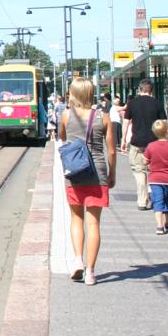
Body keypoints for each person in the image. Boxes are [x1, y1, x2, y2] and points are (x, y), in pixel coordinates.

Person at [59, 78, 115, 286]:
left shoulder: (66, 115)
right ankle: (90, 272)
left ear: (73, 94)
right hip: (97, 173)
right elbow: (111, 150)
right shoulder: (104, 117)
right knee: (94, 223)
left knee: (76, 219)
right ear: (92, 93)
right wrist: (112, 174)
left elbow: (62, 137)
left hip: (74, 173)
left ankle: (77, 262)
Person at [122, 79, 166, 210]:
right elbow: (164, 123)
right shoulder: (157, 103)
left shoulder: (132, 103)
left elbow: (125, 122)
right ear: (151, 91)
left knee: (139, 171)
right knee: (154, 171)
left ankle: (142, 201)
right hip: (154, 143)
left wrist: (123, 139)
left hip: (137, 142)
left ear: (139, 90)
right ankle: (156, 198)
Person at [144, 119, 168, 235]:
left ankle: (159, 226)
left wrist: (150, 162)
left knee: (158, 201)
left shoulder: (150, 146)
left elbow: (145, 161)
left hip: (155, 179)